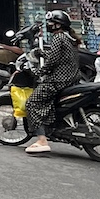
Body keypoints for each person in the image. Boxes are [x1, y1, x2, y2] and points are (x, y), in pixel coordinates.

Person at [24, 11, 82, 156]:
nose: (48, 26)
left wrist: (39, 72)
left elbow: (52, 62)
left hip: (58, 81)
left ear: (57, 25)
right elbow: (59, 56)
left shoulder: (58, 38)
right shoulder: (70, 38)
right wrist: (42, 53)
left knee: (31, 103)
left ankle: (42, 140)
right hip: (72, 79)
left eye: (50, 23)